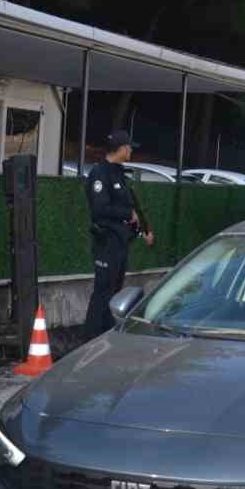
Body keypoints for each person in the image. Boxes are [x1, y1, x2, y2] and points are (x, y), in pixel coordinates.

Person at [82, 130, 155, 341]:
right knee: (103, 291)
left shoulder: (118, 173)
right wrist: (127, 214)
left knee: (114, 291)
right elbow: (100, 208)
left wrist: (142, 230)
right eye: (129, 147)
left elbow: (130, 207)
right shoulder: (100, 173)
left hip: (121, 242)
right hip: (106, 242)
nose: (131, 150)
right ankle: (90, 339)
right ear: (121, 148)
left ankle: (106, 336)